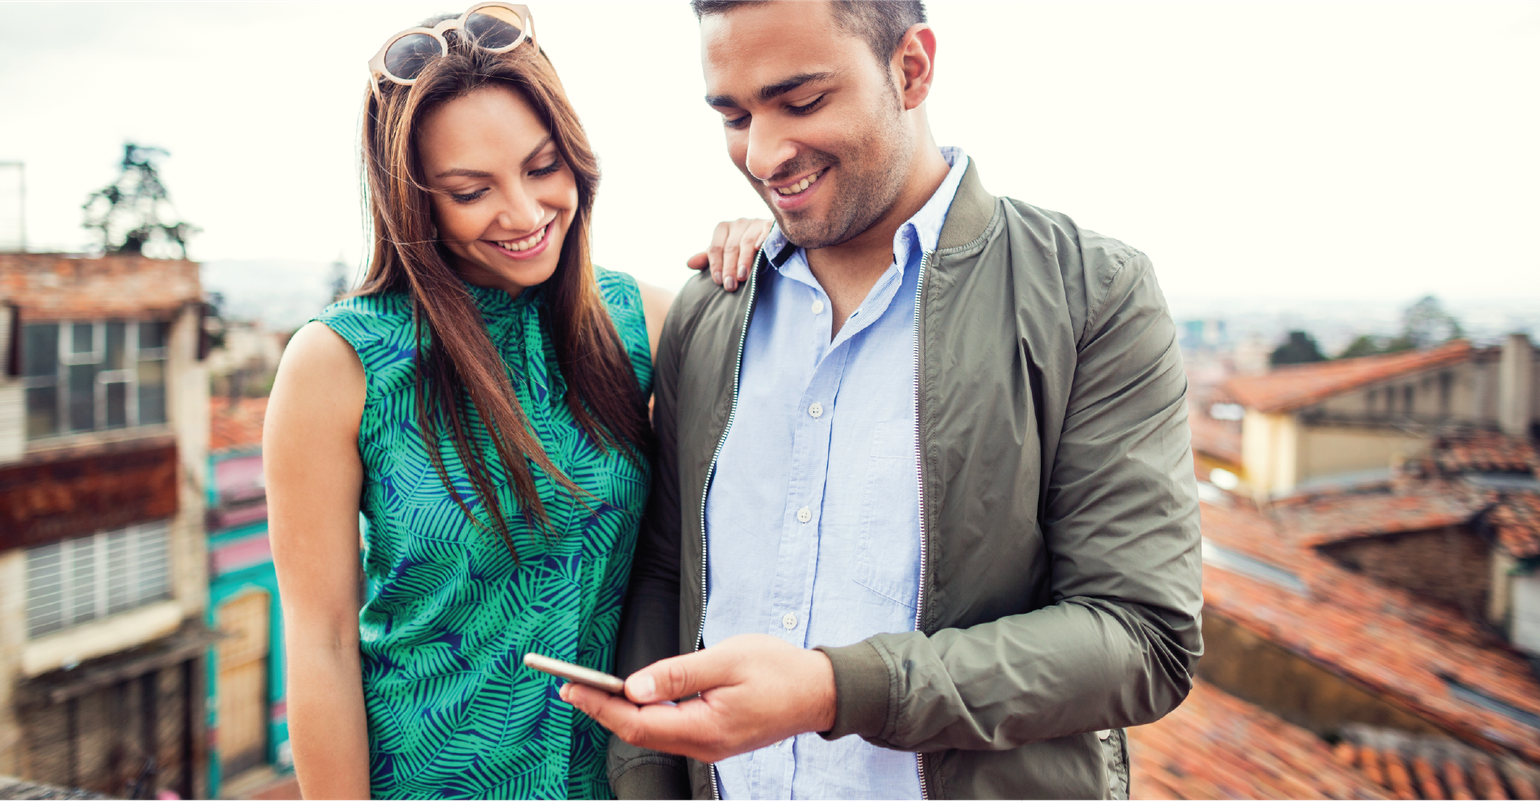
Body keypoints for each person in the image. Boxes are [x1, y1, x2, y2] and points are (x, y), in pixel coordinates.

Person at [562, 0, 1204, 799]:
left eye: (801, 102)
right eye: (734, 116)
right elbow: (665, 572)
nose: (763, 154)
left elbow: (1142, 640)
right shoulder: (710, 309)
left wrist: (835, 689)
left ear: (912, 68)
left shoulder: (1091, 295)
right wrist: (647, 779)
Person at [263, 6, 766, 799]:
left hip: (619, 781)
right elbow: (320, 639)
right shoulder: (339, 364)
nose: (525, 214)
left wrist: (770, 252)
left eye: (542, 168)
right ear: (413, 201)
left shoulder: (646, 325)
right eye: (471, 190)